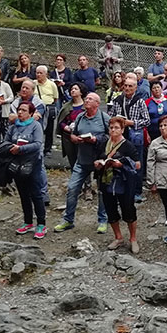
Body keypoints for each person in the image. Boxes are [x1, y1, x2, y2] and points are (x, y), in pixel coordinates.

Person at [54, 92, 109, 233]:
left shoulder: (104, 118)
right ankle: (68, 220)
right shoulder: (79, 117)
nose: (86, 100)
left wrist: (96, 140)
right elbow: (73, 132)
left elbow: (112, 135)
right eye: (86, 98)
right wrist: (73, 138)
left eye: (90, 99)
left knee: (103, 191)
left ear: (97, 103)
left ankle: (103, 220)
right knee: (72, 189)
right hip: (82, 160)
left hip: (99, 160)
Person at [94, 116, 140, 253]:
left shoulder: (128, 146)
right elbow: (98, 157)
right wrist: (97, 164)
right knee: (110, 209)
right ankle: (118, 237)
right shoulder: (104, 144)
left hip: (124, 182)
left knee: (128, 209)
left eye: (116, 128)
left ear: (122, 129)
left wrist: (121, 164)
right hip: (106, 181)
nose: (113, 130)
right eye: (111, 127)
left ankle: (133, 238)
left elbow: (137, 165)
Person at [6, 101, 49, 240]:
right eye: (19, 110)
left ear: (30, 113)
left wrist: (22, 148)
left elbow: (37, 144)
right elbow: (6, 141)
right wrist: (10, 148)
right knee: (23, 194)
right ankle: (28, 222)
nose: (20, 112)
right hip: (17, 163)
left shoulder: (35, 126)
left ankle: (41, 224)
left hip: (33, 163)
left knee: (36, 194)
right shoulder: (13, 127)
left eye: (24, 110)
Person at [108, 73, 149, 201]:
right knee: (120, 160)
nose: (127, 88)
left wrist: (132, 123)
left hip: (135, 136)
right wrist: (117, 121)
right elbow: (110, 117)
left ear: (135, 88)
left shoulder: (140, 101)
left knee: (137, 162)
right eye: (125, 85)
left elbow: (147, 120)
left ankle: (137, 191)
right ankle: (122, 188)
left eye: (130, 86)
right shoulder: (117, 101)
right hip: (120, 137)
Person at [146, 115, 167, 243]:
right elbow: (150, 163)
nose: (162, 128)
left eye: (165, 125)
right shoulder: (155, 144)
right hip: (162, 178)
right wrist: (152, 183)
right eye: (160, 126)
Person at [56, 83, 88, 195]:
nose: (73, 91)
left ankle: (87, 187)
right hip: (69, 138)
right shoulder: (66, 107)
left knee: (85, 161)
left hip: (83, 138)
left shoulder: (86, 106)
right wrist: (66, 127)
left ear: (81, 91)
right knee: (73, 161)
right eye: (72, 89)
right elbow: (61, 122)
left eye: (76, 89)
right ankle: (76, 186)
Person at [33, 66, 59, 155]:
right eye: (37, 73)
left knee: (49, 129)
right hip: (36, 109)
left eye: (41, 73)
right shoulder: (33, 83)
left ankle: (47, 149)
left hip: (48, 108)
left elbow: (55, 98)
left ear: (46, 74)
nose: (38, 75)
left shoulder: (52, 84)